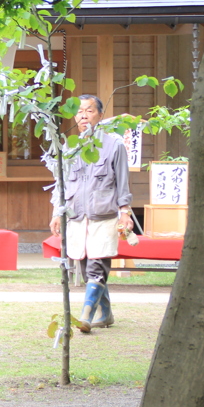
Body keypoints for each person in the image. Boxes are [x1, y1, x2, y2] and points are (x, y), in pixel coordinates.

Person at [49, 94, 133, 333]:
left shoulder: (114, 144)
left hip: (104, 215)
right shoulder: (70, 145)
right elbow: (61, 183)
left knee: (97, 265)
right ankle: (105, 314)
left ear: (100, 114)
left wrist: (124, 211)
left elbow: (123, 182)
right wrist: (58, 212)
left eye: (89, 111)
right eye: (79, 112)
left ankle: (85, 315)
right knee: (86, 267)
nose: (83, 116)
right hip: (77, 216)